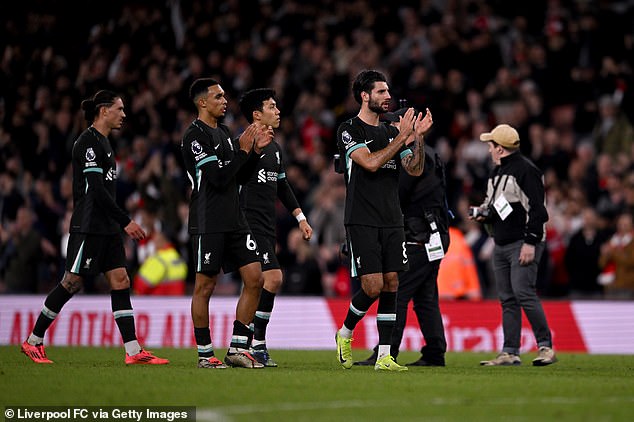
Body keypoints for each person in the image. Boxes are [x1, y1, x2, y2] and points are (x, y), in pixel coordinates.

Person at [21, 90, 169, 365]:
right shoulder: (88, 143)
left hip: (107, 227)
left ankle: (134, 351)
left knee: (121, 280)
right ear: (103, 110)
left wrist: (117, 222)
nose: (124, 114)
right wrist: (126, 221)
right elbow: (97, 192)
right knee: (72, 282)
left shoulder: (105, 143)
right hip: (89, 225)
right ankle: (33, 341)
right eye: (120, 109)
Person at [334, 70, 432, 372]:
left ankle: (385, 356)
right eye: (380, 92)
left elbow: (414, 169)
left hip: (392, 218)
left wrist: (418, 140)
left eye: (388, 91)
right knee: (373, 285)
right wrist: (403, 136)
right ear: (365, 96)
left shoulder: (392, 130)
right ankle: (346, 332)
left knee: (392, 284)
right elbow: (371, 163)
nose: (387, 96)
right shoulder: (349, 129)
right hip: (362, 218)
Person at [181, 78, 273, 369]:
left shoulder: (222, 132)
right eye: (218, 97)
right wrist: (244, 151)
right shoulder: (194, 136)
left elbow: (238, 177)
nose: (225, 101)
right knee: (205, 286)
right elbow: (218, 179)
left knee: (256, 278)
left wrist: (255, 153)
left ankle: (236, 348)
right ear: (202, 102)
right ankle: (205, 354)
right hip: (209, 220)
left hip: (235, 219)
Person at [354, 107, 449, 367]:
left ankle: (386, 351)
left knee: (397, 291)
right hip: (433, 234)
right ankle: (435, 352)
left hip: (418, 236)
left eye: (391, 125)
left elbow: (397, 197)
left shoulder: (412, 158)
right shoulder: (429, 154)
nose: (387, 131)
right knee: (425, 297)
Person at [237, 88, 313, 367]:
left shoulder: (276, 148)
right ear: (257, 115)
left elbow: (281, 185)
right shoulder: (243, 143)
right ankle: (254, 343)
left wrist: (300, 217)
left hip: (267, 224)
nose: (278, 110)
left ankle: (246, 343)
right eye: (272, 106)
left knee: (259, 283)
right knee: (272, 279)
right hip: (247, 222)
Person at [470, 123, 556, 366]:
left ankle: (545, 347)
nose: (488, 150)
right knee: (507, 298)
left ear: (500, 149)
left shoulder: (526, 171)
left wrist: (530, 243)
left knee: (523, 293)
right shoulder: (497, 172)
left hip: (522, 243)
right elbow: (498, 207)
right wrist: (483, 214)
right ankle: (510, 351)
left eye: (490, 146)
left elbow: (538, 211)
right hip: (501, 243)